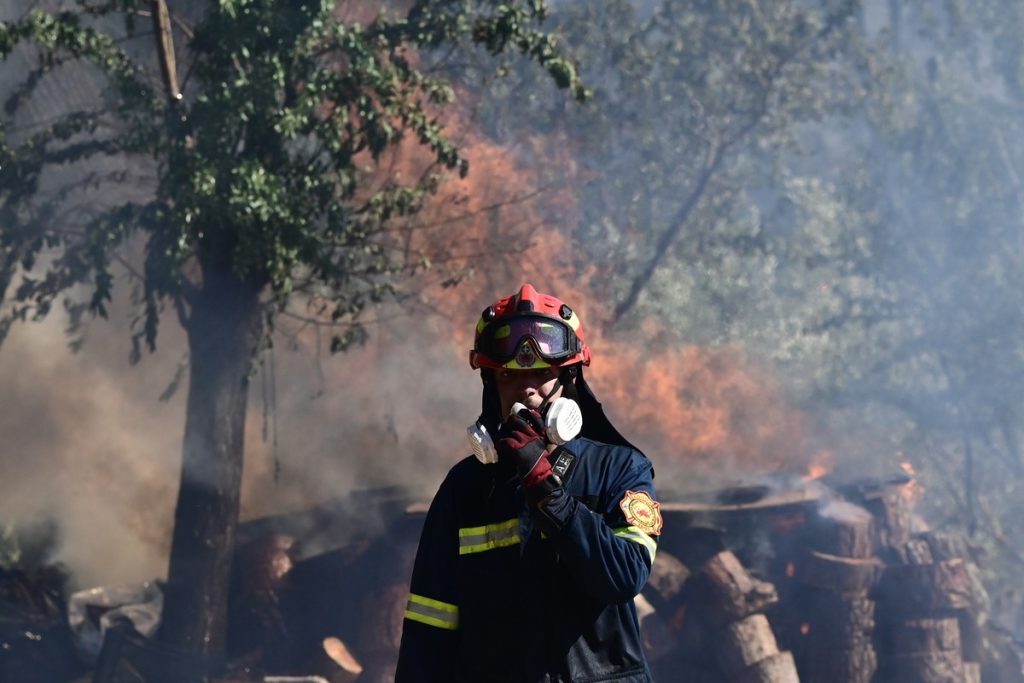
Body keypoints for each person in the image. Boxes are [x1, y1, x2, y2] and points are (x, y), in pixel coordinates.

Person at [395, 283, 662, 683]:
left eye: (542, 373)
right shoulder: (464, 488)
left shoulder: (621, 469)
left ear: (568, 378)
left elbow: (624, 576)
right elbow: (429, 627)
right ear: (491, 384)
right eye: (509, 376)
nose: (527, 390)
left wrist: (547, 491)